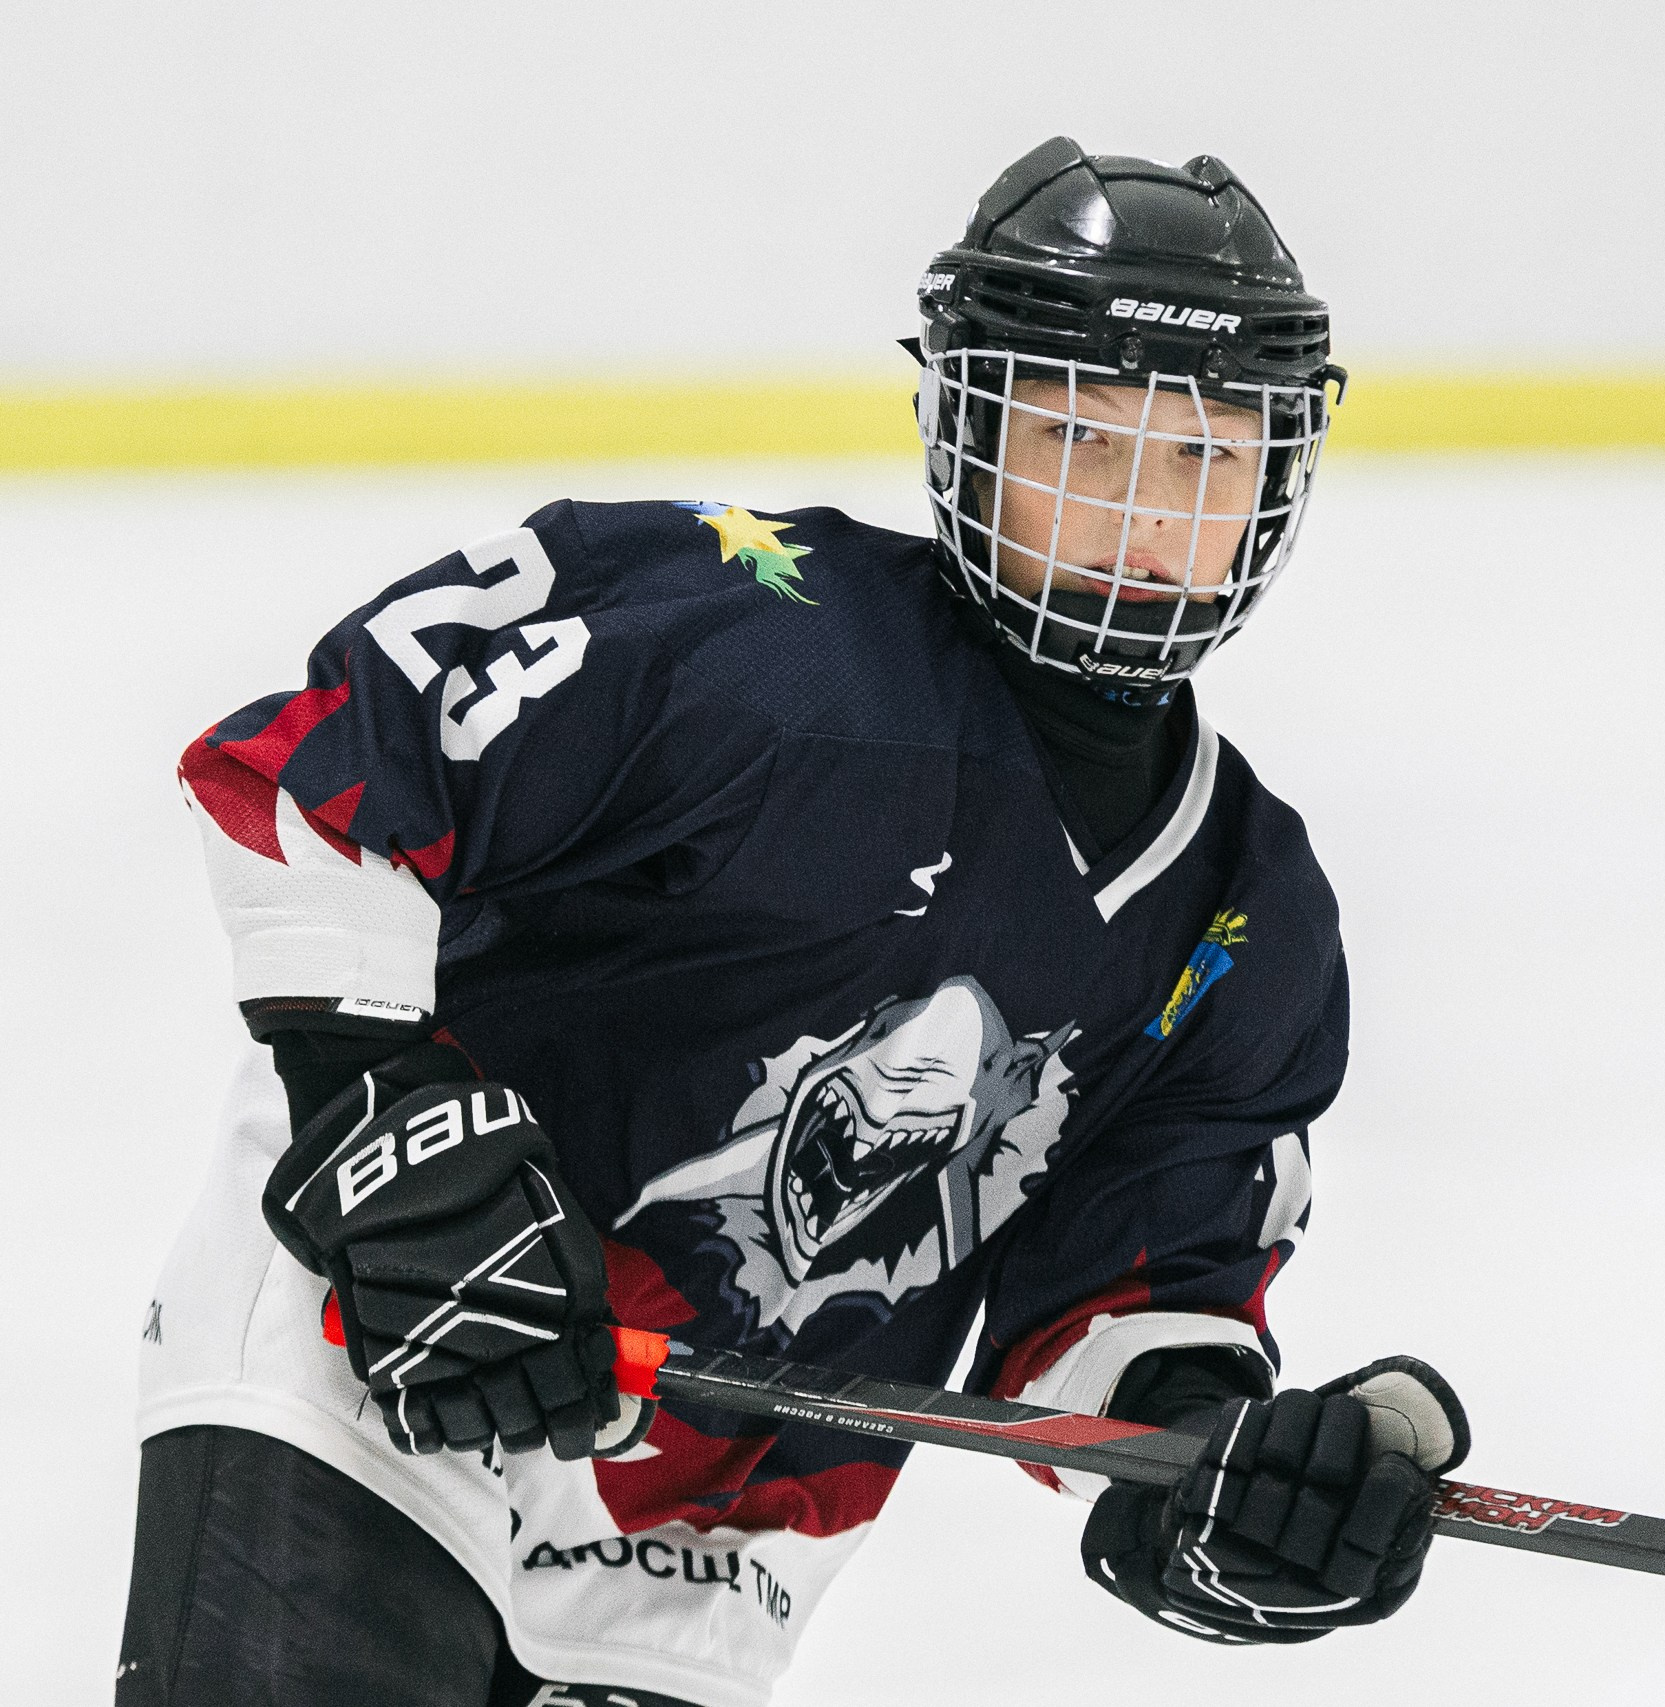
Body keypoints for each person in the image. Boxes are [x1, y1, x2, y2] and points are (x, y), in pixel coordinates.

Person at [119, 136, 1468, 1707]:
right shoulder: (756, 640)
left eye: (1205, 457)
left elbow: (1120, 1304)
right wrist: (381, 1112)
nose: (1142, 516)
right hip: (374, 1370)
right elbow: (318, 770)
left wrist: (1218, 1468)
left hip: (709, 1551)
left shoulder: (1247, 916)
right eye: (1081, 440)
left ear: (1279, 480)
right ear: (969, 434)